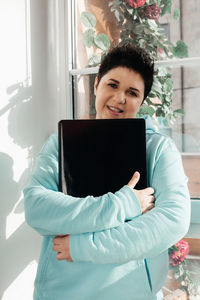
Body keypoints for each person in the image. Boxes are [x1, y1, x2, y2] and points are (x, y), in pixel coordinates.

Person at [24, 44, 190, 300]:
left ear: (141, 101)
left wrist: (82, 246)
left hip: (130, 293)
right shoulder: (61, 142)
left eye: (132, 92)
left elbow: (173, 220)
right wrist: (124, 205)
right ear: (96, 86)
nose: (120, 98)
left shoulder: (158, 149)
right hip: (60, 292)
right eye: (112, 85)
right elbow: (37, 208)